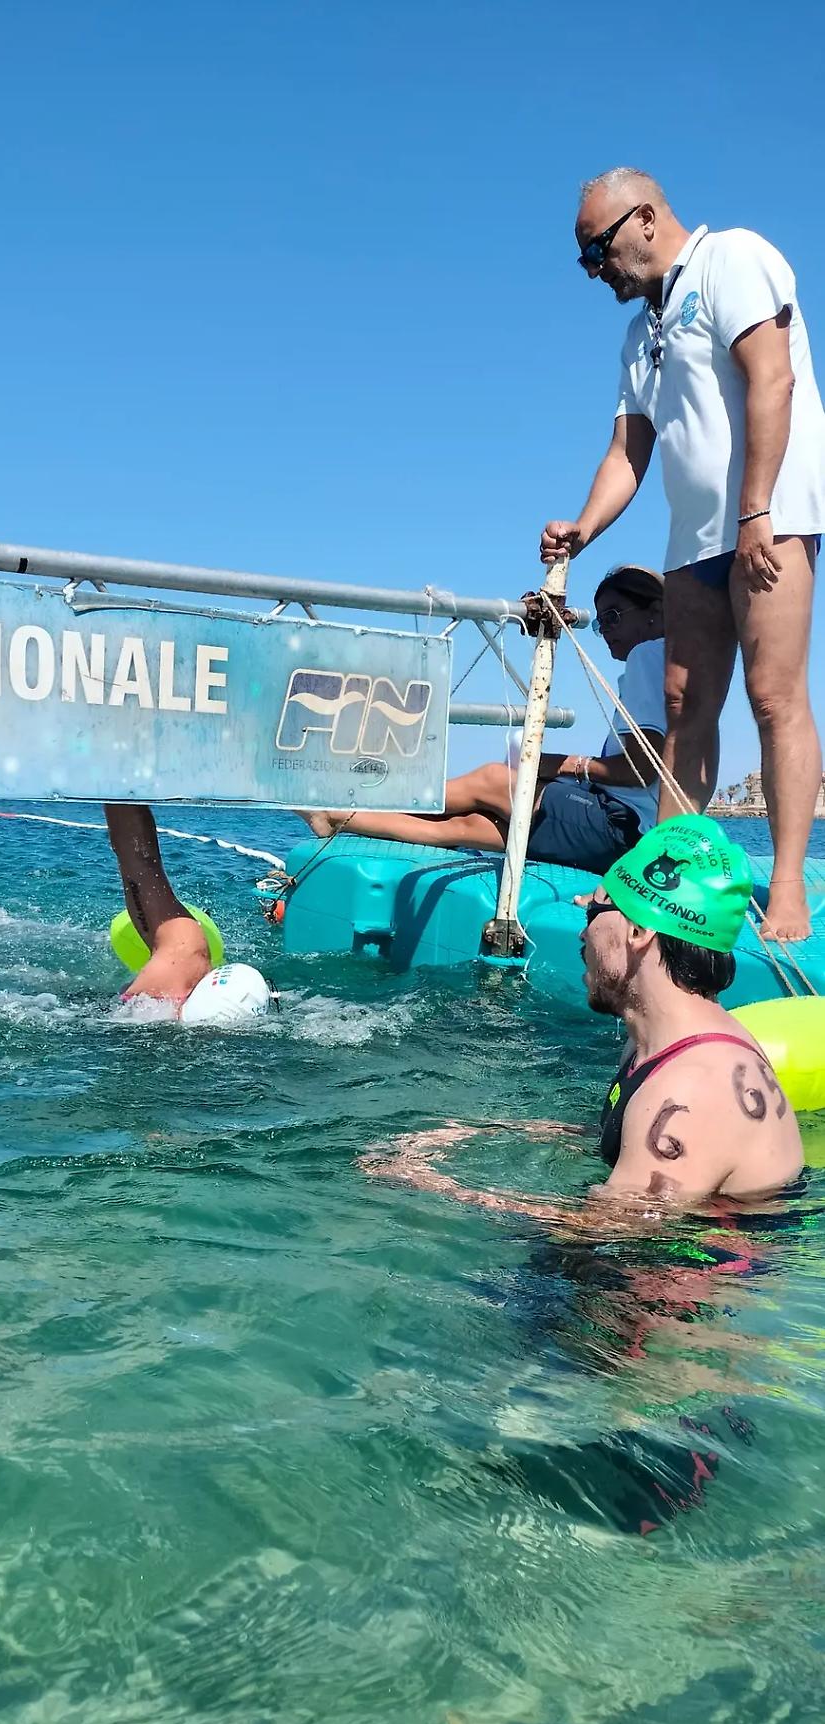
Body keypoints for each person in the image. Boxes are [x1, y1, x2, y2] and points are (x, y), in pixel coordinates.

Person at [541, 167, 825, 940]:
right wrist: (583, 527)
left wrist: (757, 508)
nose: (595, 272)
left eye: (596, 252)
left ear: (641, 219)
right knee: (681, 706)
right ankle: (657, 878)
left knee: (773, 696)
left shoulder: (731, 257)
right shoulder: (640, 334)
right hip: (693, 536)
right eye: (584, 261)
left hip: (771, 515)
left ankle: (790, 888)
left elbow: (773, 378)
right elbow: (628, 451)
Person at [364, 814, 803, 1213]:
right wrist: (485, 1132)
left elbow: (607, 1228)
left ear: (638, 930)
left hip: (674, 1283)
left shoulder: (686, 1092)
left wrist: (430, 1185)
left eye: (596, 908)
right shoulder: (662, 1040)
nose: (582, 927)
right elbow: (622, 1139)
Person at [298, 563, 667, 873]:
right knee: (471, 826)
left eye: (614, 617)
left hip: (620, 828)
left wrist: (556, 764)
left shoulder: (648, 657)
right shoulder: (679, 669)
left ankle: (354, 799)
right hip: (636, 842)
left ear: (656, 612)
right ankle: (338, 817)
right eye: (601, 623)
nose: (605, 632)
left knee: (491, 780)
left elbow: (642, 769)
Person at [103, 806, 212, 1003]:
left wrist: (118, 787)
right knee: (138, 866)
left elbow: (137, 856)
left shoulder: (186, 948)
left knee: (138, 863)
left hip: (165, 981)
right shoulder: (187, 953)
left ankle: (120, 793)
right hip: (162, 992)